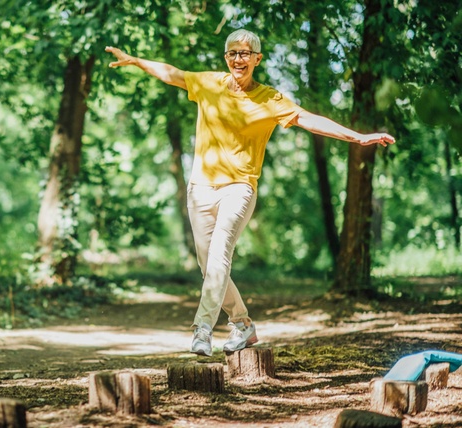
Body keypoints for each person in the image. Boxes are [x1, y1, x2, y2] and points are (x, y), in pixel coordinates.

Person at [105, 29, 395, 356]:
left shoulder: (270, 100)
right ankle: (243, 325)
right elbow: (172, 73)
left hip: (239, 188)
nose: (237, 59)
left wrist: (358, 137)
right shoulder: (209, 83)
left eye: (244, 53)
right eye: (232, 53)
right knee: (209, 267)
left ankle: (202, 329)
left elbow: (309, 119)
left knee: (219, 255)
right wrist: (136, 61)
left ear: (257, 58)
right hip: (199, 188)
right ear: (225, 57)